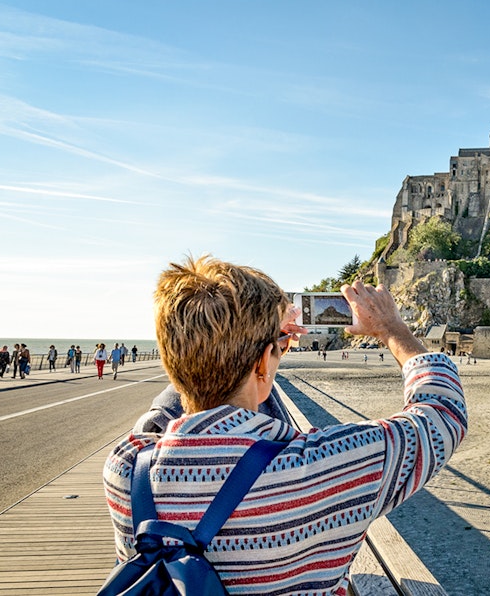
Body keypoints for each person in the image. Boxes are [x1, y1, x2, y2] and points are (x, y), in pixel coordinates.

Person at [104, 255, 466, 595]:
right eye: (279, 347)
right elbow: (442, 411)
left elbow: (187, 389)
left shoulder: (126, 468)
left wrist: (253, 345)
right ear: (264, 363)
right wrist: (390, 327)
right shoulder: (324, 465)